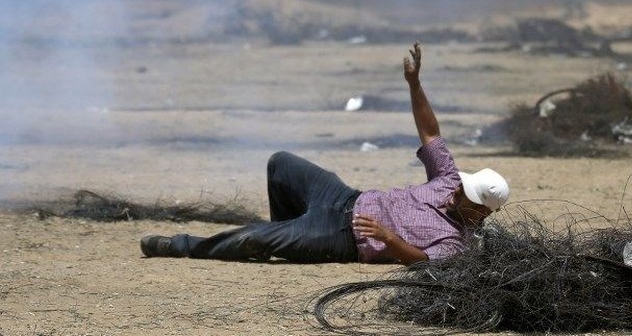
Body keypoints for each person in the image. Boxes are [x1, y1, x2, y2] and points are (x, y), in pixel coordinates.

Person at [140, 43, 509, 265]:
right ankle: (284, 232)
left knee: (256, 239)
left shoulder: (456, 244)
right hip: (344, 197)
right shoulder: (448, 179)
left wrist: (388, 238)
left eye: (466, 194)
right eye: (464, 186)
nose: (458, 190)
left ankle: (182, 246)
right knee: (280, 163)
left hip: (343, 238)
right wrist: (415, 84)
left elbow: (422, 261)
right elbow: (430, 131)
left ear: (478, 211)